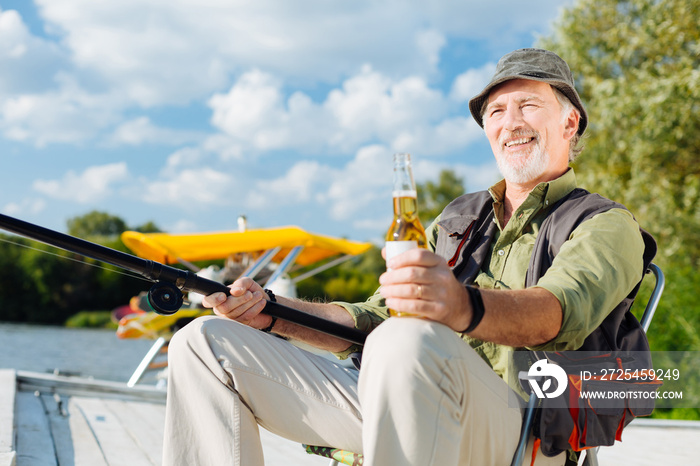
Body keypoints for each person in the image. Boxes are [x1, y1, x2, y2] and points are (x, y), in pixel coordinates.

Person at [162, 48, 651, 466]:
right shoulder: (458, 218)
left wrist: (457, 305)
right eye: (496, 112)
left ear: (570, 121)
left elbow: (557, 314)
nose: (510, 122)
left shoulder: (605, 224)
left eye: (528, 105)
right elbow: (375, 316)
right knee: (202, 342)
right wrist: (269, 311)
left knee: (405, 337)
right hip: (407, 393)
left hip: (523, 429)